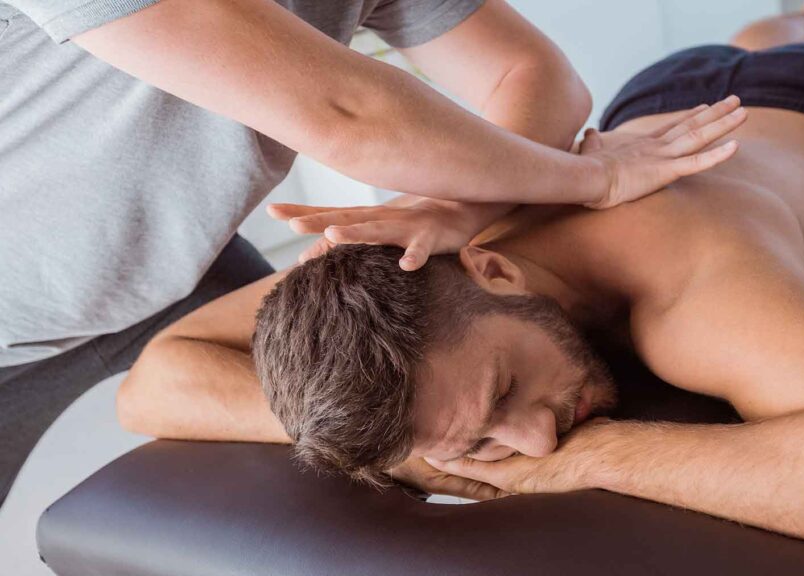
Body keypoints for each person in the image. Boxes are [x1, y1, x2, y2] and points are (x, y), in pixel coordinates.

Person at [118, 0, 804, 570]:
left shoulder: (693, 293)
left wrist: (590, 460)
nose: (534, 437)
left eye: (507, 391)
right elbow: (154, 379)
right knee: (753, 40)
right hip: (657, 102)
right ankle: (792, 15)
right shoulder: (388, 263)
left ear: (494, 268)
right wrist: (414, 445)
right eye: (486, 439)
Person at [0, 0, 744, 507]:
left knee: (375, 429)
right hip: (13, 317)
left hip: (180, 268)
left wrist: (456, 209)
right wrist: (595, 176)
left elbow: (534, 78)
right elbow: (346, 112)